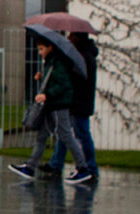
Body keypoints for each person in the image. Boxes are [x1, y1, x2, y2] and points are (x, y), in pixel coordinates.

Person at [9, 37, 94, 185]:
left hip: (58, 106)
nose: (40, 53)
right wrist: (42, 78)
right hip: (51, 106)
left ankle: (83, 168)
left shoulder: (58, 64)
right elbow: (54, 82)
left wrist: (46, 95)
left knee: (66, 135)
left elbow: (64, 86)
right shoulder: (51, 63)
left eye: (42, 49)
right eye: (39, 50)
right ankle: (30, 167)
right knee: (42, 136)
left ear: (50, 47)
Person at [41, 32, 99, 179]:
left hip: (79, 103)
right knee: (64, 134)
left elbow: (78, 79)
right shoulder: (82, 56)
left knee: (82, 135)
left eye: (72, 37)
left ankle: (89, 167)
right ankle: (56, 164)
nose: (69, 40)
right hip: (75, 102)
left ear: (79, 39)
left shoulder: (84, 58)